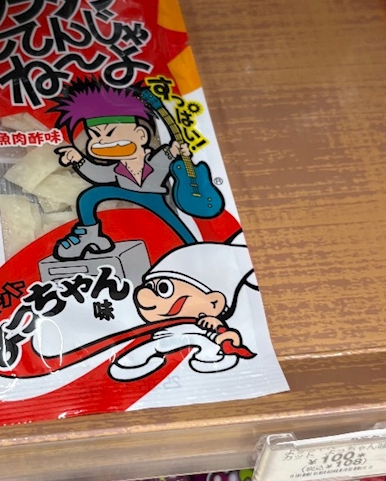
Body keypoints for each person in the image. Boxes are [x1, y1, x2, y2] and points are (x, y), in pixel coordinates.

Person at [50, 79, 197, 260]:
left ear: (141, 136)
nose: (101, 142)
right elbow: (98, 174)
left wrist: (177, 151)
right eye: (95, 136)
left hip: (152, 196)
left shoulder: (155, 161)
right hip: (125, 191)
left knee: (175, 224)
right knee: (90, 196)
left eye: (110, 133)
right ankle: (91, 234)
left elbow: (171, 155)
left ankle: (194, 247)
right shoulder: (116, 169)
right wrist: (79, 160)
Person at [108, 242, 256, 381]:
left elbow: (226, 335)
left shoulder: (204, 324)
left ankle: (212, 360)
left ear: (214, 303)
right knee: (145, 350)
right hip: (162, 341)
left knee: (206, 345)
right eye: (149, 286)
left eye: (164, 288)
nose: (144, 296)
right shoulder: (158, 327)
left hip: (197, 341)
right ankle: (128, 365)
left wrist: (221, 333)